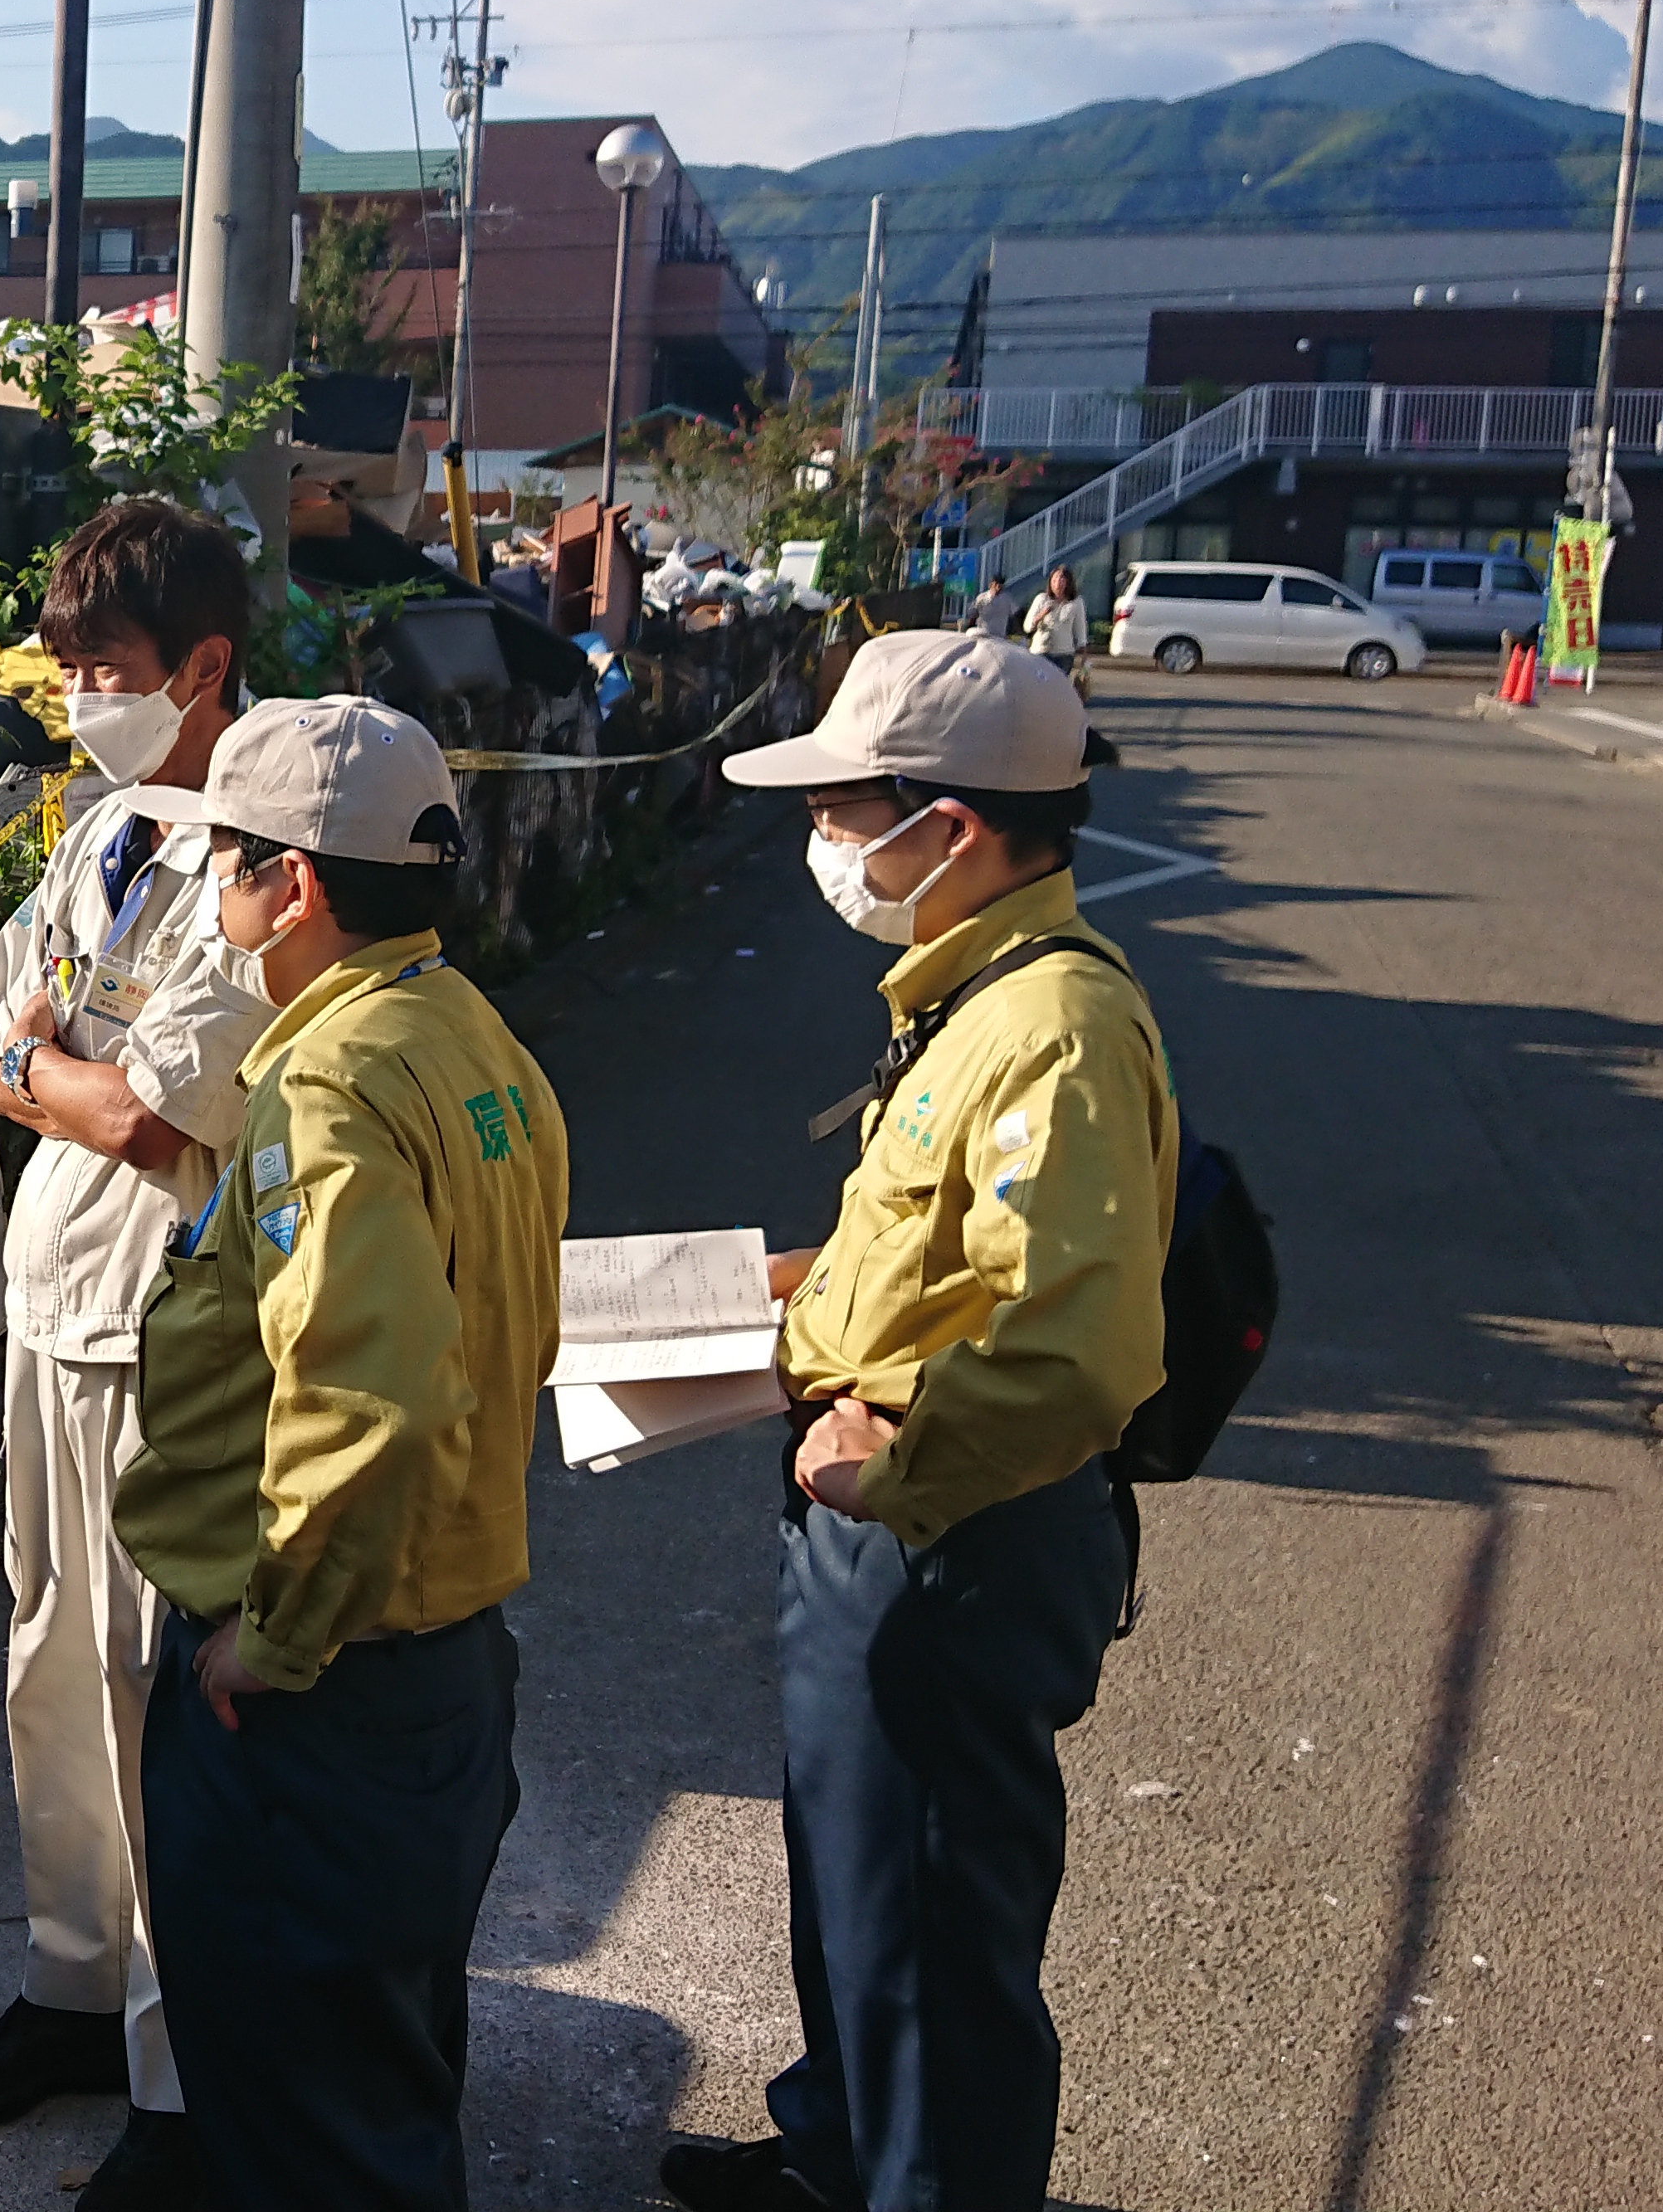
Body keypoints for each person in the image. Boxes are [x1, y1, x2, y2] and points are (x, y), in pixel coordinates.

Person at [664, 631, 1179, 2212]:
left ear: (943, 827)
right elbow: (939, 1248)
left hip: (947, 1533)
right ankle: (837, 2155)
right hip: (889, 1519)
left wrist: (893, 1467)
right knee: (856, 1889)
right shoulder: (976, 997)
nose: (824, 841)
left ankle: (917, 2179)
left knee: (934, 1936)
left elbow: (1070, 1345)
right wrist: (786, 1286)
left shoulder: (1051, 1029)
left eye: (841, 808)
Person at [113, 695, 565, 2212]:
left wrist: (269, 1642)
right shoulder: (467, 1035)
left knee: (295, 2119)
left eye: (225, 867)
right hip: (437, 1667)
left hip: (316, 1697)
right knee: (378, 2079)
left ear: (292, 887)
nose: (215, 899)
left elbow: (357, 1399)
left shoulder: (325, 1088)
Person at [0, 502, 273, 2204]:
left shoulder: (262, 860)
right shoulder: (107, 829)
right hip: (47, 1300)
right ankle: (73, 1982)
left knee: (150, 1692)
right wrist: (63, 1068)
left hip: (159, 1330)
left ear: (203, 666)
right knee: (48, 1658)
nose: (79, 694)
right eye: (65, 666)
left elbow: (144, 1115)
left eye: (108, 668)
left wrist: (60, 1066)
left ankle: (178, 2062)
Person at [1018, 566, 1090, 696]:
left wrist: (1083, 652)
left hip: (1064, 653)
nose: (1058, 584)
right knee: (1039, 687)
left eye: (1062, 580)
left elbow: (1080, 628)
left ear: (1068, 583)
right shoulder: (1042, 599)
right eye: (1055, 580)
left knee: (1057, 689)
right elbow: (1028, 627)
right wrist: (1041, 615)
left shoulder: (1076, 602)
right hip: (1041, 651)